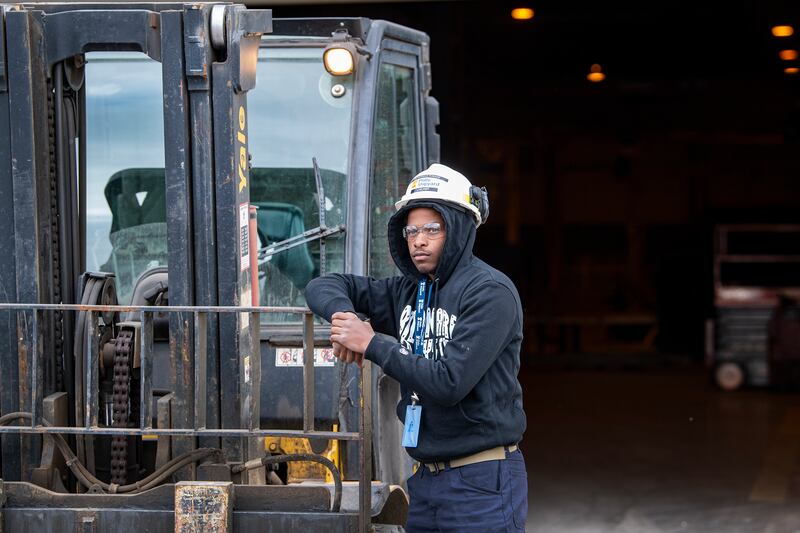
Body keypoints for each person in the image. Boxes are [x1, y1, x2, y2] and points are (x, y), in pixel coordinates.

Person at [305, 163, 527, 532]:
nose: (418, 241)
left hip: (482, 481)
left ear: (458, 229)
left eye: (431, 229)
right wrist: (347, 321)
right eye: (411, 231)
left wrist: (371, 342)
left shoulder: (490, 293)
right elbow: (324, 285)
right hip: (425, 479)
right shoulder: (406, 291)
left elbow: (448, 383)